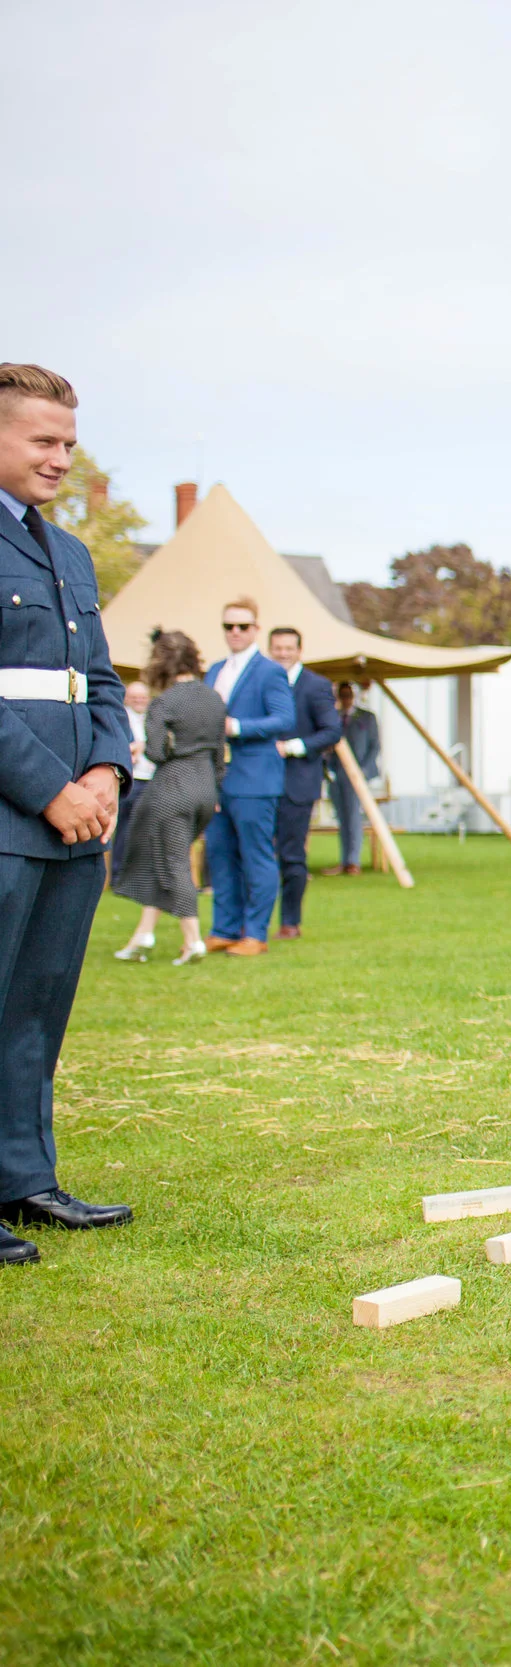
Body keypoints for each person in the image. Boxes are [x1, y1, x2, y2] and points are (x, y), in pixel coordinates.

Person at [0, 361, 135, 1264]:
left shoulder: (70, 552)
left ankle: (22, 1176)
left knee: (37, 1008)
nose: (61, 460)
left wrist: (106, 771)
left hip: (75, 823)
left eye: (70, 445)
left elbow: (102, 682)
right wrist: (52, 788)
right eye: (43, 441)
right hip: (14, 815)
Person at [112, 631, 223, 967]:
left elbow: (158, 753)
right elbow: (219, 754)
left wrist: (164, 745)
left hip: (173, 789)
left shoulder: (165, 701)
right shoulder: (214, 698)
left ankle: (193, 941)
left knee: (173, 864)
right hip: (206, 788)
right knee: (164, 859)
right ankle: (143, 936)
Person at [202, 595, 294, 954]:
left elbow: (284, 719)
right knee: (220, 854)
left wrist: (236, 726)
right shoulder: (214, 670)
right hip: (216, 778)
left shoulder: (270, 670)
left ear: (256, 629)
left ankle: (255, 933)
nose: (235, 632)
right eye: (229, 626)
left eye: (243, 626)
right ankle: (224, 928)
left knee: (256, 857)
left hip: (255, 778)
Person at [266, 626, 341, 943]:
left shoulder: (316, 686)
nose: (283, 653)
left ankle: (290, 922)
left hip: (297, 782)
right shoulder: (262, 680)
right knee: (254, 854)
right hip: (260, 781)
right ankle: (251, 924)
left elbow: (332, 731)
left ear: (299, 650)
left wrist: (293, 746)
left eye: (288, 648)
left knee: (292, 856)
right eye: (277, 648)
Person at [321, 680, 381, 874]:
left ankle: (353, 861)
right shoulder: (334, 718)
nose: (346, 699)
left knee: (354, 816)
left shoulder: (367, 717)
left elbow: (375, 746)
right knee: (342, 817)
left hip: (357, 775)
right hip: (336, 773)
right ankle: (344, 860)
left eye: (349, 695)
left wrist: (363, 770)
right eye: (343, 695)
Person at [109, 678, 150, 879]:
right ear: (127, 699)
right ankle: (118, 876)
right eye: (134, 697)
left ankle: (139, 877)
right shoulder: (121, 717)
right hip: (131, 780)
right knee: (125, 829)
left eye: (142, 697)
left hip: (151, 780)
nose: (139, 700)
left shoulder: (152, 718)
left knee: (145, 832)